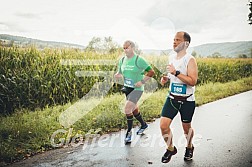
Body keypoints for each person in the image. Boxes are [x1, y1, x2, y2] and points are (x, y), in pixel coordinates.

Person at [160, 31, 198, 163]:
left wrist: (176, 72)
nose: (174, 42)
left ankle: (189, 146)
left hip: (187, 100)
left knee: (186, 129)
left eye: (178, 40)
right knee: (163, 126)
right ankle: (170, 148)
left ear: (186, 44)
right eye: (174, 39)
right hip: (172, 98)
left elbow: (192, 81)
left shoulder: (190, 59)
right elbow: (171, 76)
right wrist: (166, 78)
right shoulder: (171, 58)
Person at [114, 40, 155, 144]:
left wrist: (142, 81)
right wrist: (118, 75)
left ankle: (129, 133)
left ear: (132, 48)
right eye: (123, 48)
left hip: (137, 89)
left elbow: (151, 72)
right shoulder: (122, 60)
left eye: (127, 47)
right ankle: (143, 124)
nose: (125, 50)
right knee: (134, 109)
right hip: (127, 88)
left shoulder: (139, 60)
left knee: (127, 109)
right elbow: (120, 72)